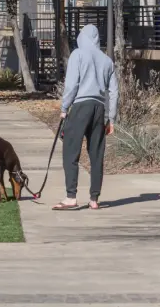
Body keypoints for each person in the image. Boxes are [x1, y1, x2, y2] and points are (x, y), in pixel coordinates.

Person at [53, 23, 119, 211]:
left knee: (70, 150)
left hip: (81, 106)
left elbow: (72, 85)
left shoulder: (78, 55)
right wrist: (111, 118)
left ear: (82, 37)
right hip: (99, 109)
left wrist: (65, 107)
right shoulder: (107, 61)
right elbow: (114, 92)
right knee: (97, 154)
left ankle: (71, 197)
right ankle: (94, 199)